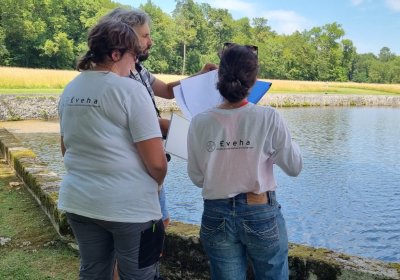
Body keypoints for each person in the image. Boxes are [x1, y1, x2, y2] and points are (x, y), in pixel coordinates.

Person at [57, 14, 168, 280]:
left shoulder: (70, 90)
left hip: (80, 201)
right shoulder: (130, 91)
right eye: (134, 56)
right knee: (139, 275)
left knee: (93, 273)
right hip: (131, 208)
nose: (135, 64)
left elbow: (65, 149)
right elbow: (156, 162)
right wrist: (158, 183)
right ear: (117, 54)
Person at [187, 44, 303, 279]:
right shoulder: (268, 117)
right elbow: (294, 167)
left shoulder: (199, 121)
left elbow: (197, 178)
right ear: (254, 79)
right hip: (259, 210)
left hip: (216, 213)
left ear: (218, 77)